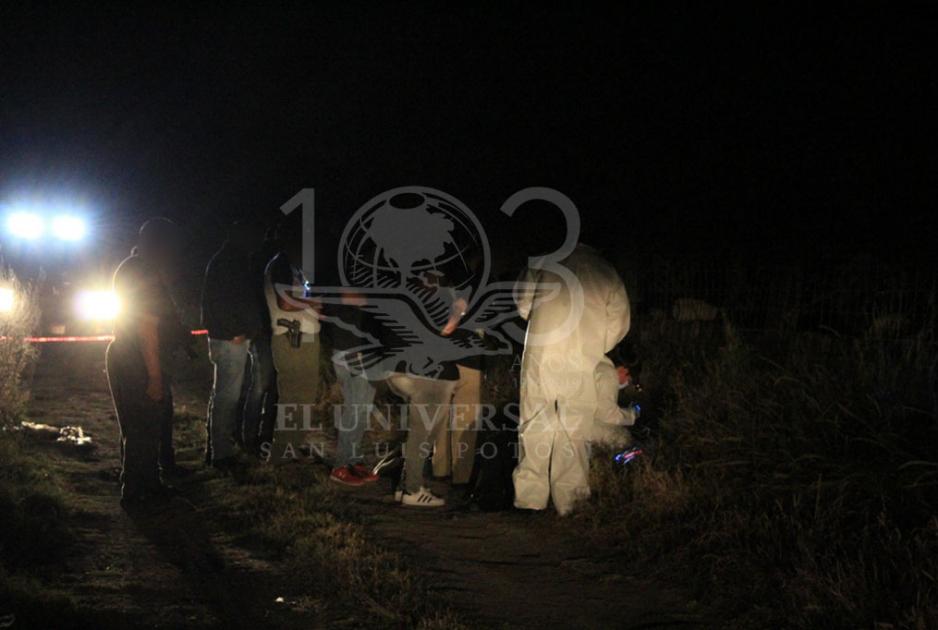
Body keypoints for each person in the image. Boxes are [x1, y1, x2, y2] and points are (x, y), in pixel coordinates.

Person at [512, 243, 631, 515]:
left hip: (542, 353)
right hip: (582, 358)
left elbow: (523, 304)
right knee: (574, 428)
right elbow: (619, 323)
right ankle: (570, 500)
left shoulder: (542, 261)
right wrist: (596, 344)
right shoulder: (607, 272)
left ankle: (530, 498)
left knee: (534, 423)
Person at [106, 218, 183, 507]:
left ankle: (143, 484)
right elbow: (146, 327)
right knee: (144, 427)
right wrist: (154, 375)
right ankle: (138, 492)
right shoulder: (143, 272)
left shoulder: (130, 267)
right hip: (137, 359)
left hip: (126, 354)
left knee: (136, 427)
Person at [200, 220, 267, 467]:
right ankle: (222, 454)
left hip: (226, 337)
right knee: (227, 398)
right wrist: (240, 330)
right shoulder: (232, 262)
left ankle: (216, 448)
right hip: (231, 339)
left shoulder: (223, 260)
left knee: (222, 394)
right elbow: (235, 301)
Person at [263, 224, 321, 461]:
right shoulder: (280, 265)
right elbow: (285, 303)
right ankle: (282, 452)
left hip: (301, 337)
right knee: (294, 396)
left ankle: (292, 446)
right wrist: (313, 302)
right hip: (293, 338)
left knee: (302, 395)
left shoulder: (290, 266)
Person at [322, 287, 381, 486]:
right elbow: (349, 298)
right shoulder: (344, 277)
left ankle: (353, 460)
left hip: (364, 350)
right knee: (355, 408)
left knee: (362, 408)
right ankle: (340, 465)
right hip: (352, 350)